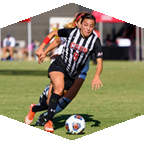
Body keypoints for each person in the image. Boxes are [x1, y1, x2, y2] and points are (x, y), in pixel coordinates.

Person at [27, 13, 103, 133]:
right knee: (59, 89)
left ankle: (35, 108)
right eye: (85, 24)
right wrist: (43, 49)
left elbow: (99, 61)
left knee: (52, 100)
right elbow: (55, 37)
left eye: (91, 26)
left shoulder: (94, 41)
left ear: (94, 27)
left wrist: (97, 76)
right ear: (80, 24)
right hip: (59, 65)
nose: (88, 28)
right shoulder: (71, 32)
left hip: (75, 74)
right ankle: (49, 121)